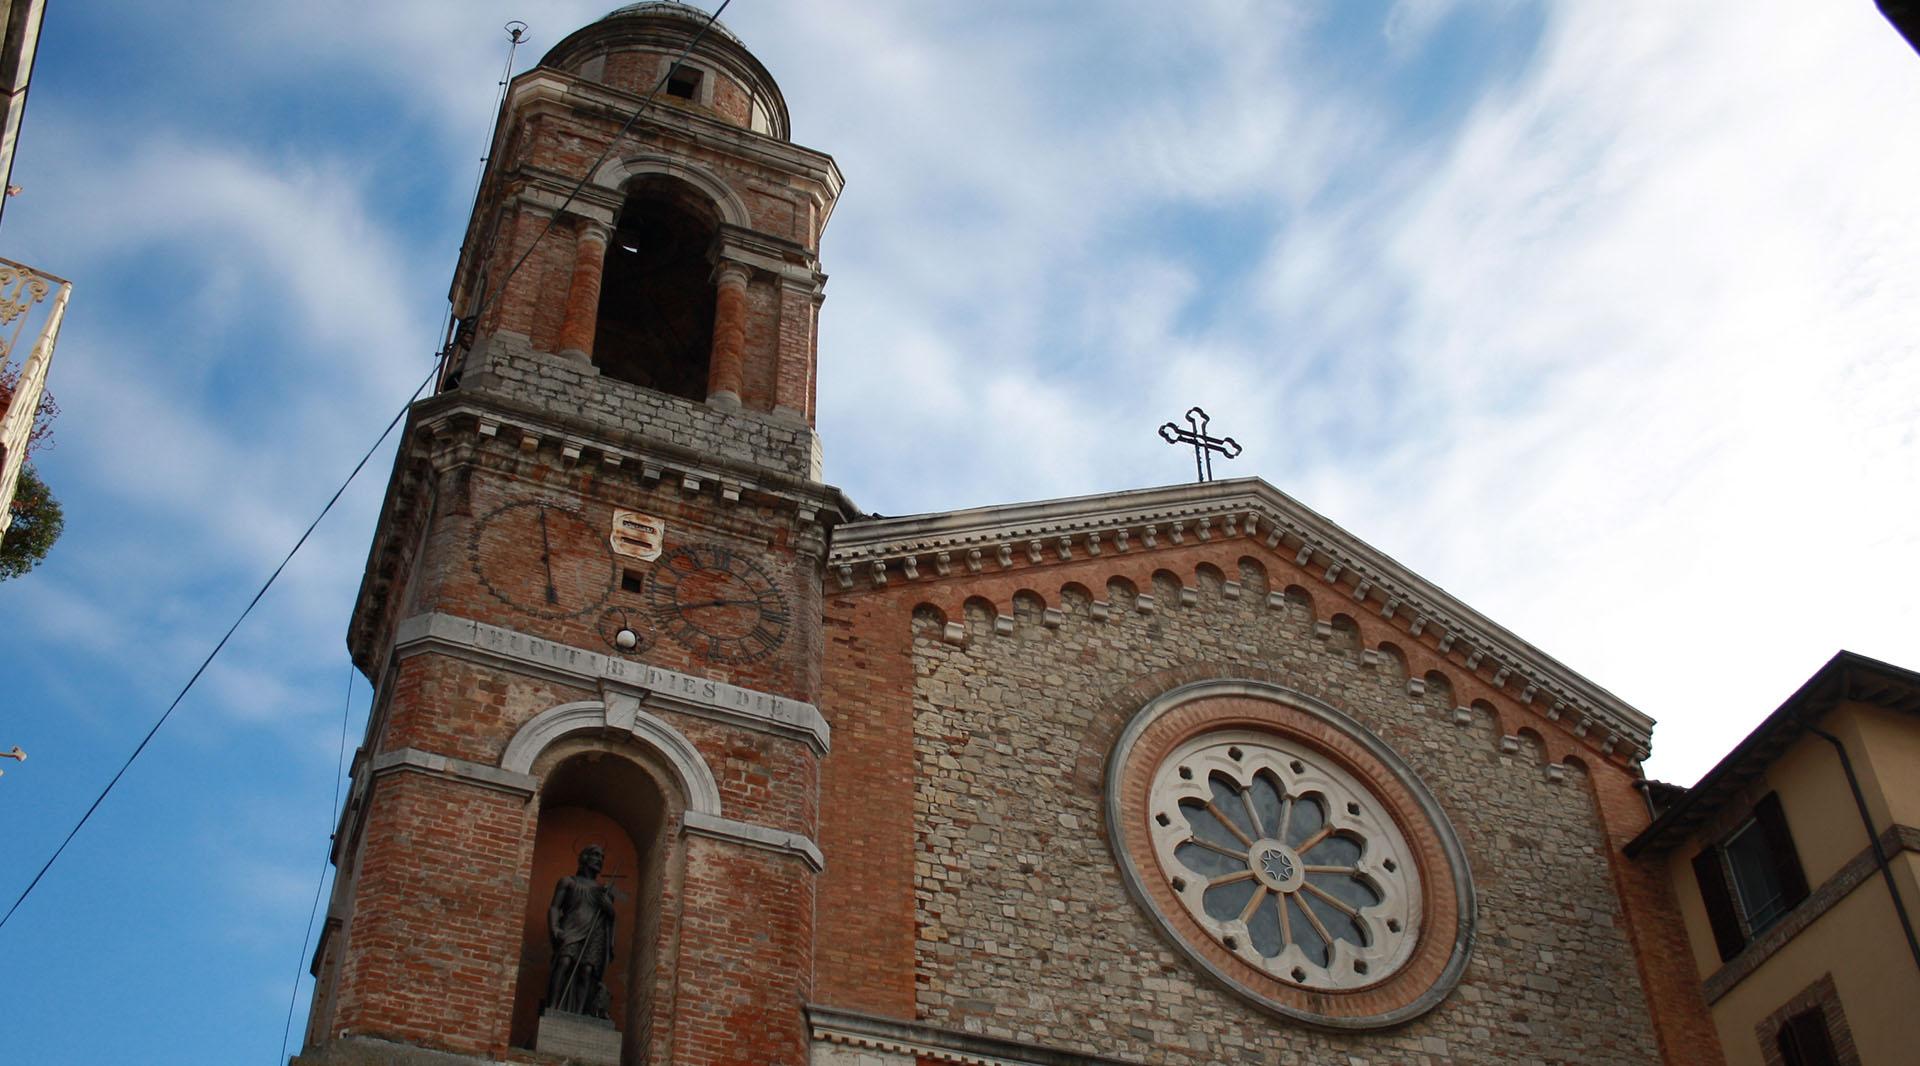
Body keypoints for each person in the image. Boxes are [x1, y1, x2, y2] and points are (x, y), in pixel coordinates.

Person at [544, 845, 617, 1017]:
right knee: (564, 962)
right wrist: (554, 927)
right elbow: (554, 907)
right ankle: (553, 1008)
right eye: (595, 855)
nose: (599, 859)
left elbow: (611, 916)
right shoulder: (568, 882)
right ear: (584, 858)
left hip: (595, 932)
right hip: (572, 927)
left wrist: (608, 906)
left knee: (587, 971)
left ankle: (578, 1014)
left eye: (601, 857)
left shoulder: (603, 891)